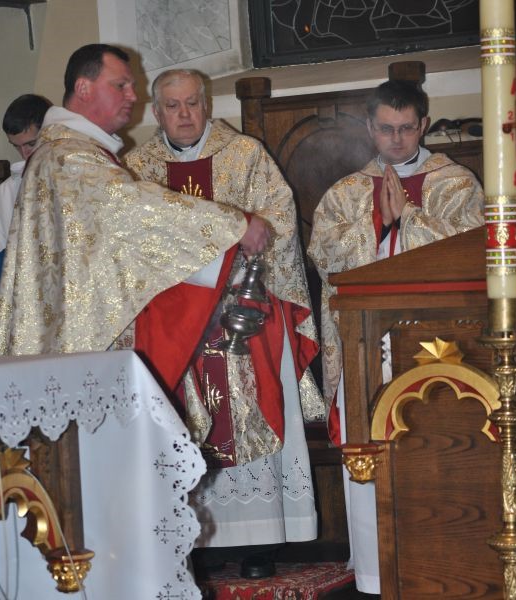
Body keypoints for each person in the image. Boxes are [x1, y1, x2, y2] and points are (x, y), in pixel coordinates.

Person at [123, 69, 325, 573]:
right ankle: (187, 539)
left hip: (241, 306)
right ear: (156, 111)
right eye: (173, 106)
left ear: (207, 105)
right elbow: (130, 243)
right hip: (170, 318)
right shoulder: (137, 169)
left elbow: (278, 219)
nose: (184, 114)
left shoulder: (245, 155)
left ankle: (259, 540)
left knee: (250, 395)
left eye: (192, 103)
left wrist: (235, 274)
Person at [306, 78, 485, 593]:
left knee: (443, 452)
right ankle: (373, 576)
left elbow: (473, 247)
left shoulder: (456, 183)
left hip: (442, 346)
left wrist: (407, 219)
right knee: (369, 447)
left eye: (407, 128)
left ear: (423, 124)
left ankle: (449, 570)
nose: (397, 139)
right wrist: (376, 225)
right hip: (366, 344)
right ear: (369, 127)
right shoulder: (346, 193)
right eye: (386, 129)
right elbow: (325, 257)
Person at [0, 45, 269, 361]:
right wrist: (235, 226)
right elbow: (130, 209)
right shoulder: (68, 156)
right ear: (84, 88)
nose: (133, 96)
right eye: (120, 85)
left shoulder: (66, 149)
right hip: (77, 349)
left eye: (132, 86)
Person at [0, 94, 52, 329]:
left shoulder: (77, 178)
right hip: (27, 307)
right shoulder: (5, 192)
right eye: (17, 146)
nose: (24, 154)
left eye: (31, 144)